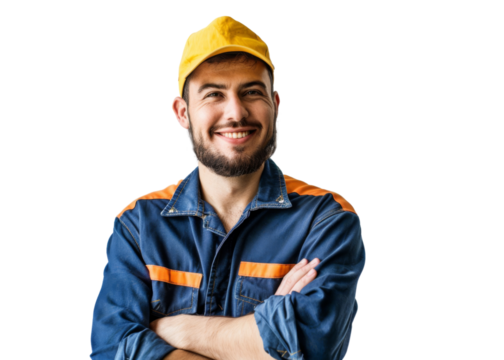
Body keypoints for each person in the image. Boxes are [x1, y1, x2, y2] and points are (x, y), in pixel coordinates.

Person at [90, 14, 365, 360]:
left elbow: (311, 347)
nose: (235, 113)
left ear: (275, 105)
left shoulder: (327, 218)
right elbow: (110, 351)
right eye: (214, 94)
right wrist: (264, 338)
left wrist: (175, 330)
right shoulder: (138, 223)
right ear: (182, 112)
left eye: (251, 92)